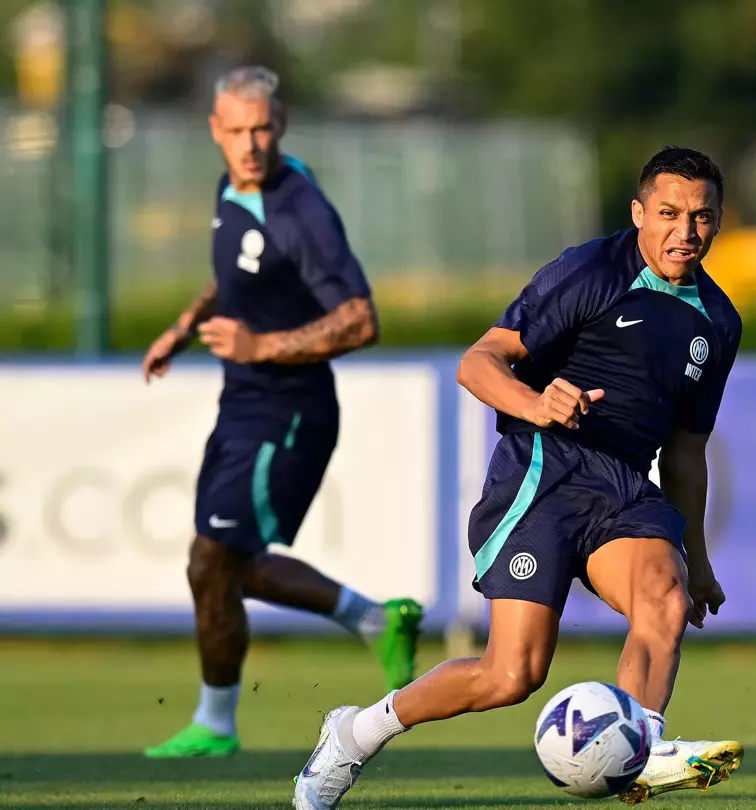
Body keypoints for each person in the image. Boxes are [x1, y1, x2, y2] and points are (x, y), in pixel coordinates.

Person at [293, 146, 745, 810]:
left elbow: (685, 452)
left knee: (666, 600)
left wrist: (698, 561)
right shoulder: (591, 270)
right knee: (511, 675)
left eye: (702, 217)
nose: (686, 232)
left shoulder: (719, 321)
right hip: (546, 471)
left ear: (719, 220)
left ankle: (640, 750)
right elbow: (478, 363)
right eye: (670, 213)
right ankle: (355, 732)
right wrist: (538, 404)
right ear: (638, 213)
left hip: (623, 486)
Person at [140, 66, 424, 759]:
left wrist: (261, 343)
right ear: (216, 131)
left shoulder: (302, 210)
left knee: (215, 559)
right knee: (219, 565)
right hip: (242, 401)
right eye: (237, 131)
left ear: (282, 124)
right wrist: (185, 324)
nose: (251, 144)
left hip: (289, 410)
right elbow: (235, 271)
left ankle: (218, 722)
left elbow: (361, 320)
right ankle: (373, 620)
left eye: (262, 128)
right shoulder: (231, 187)